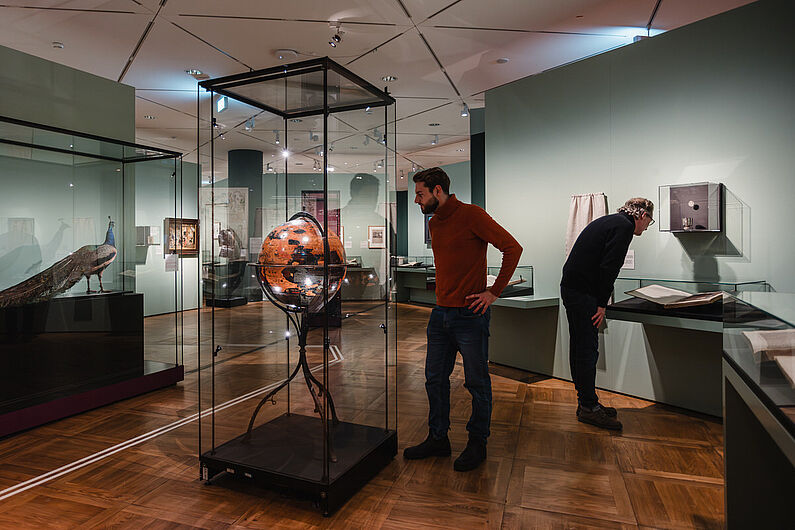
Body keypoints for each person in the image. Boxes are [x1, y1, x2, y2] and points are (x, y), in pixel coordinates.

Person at [403, 167, 522, 471]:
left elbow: (512, 248)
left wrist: (494, 292)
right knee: (434, 380)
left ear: (437, 191)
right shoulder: (434, 223)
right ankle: (438, 438)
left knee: (477, 382)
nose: (416, 200)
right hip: (440, 314)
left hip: (470, 315)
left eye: (420, 193)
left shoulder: (472, 215)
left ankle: (477, 442)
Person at [560, 197, 655, 430]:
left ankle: (587, 402)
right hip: (583, 294)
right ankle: (588, 407)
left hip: (575, 289)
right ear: (642, 215)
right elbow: (609, 268)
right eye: (649, 222)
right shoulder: (624, 227)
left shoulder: (611, 221)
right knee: (587, 349)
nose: (646, 227)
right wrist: (602, 303)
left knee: (581, 347)